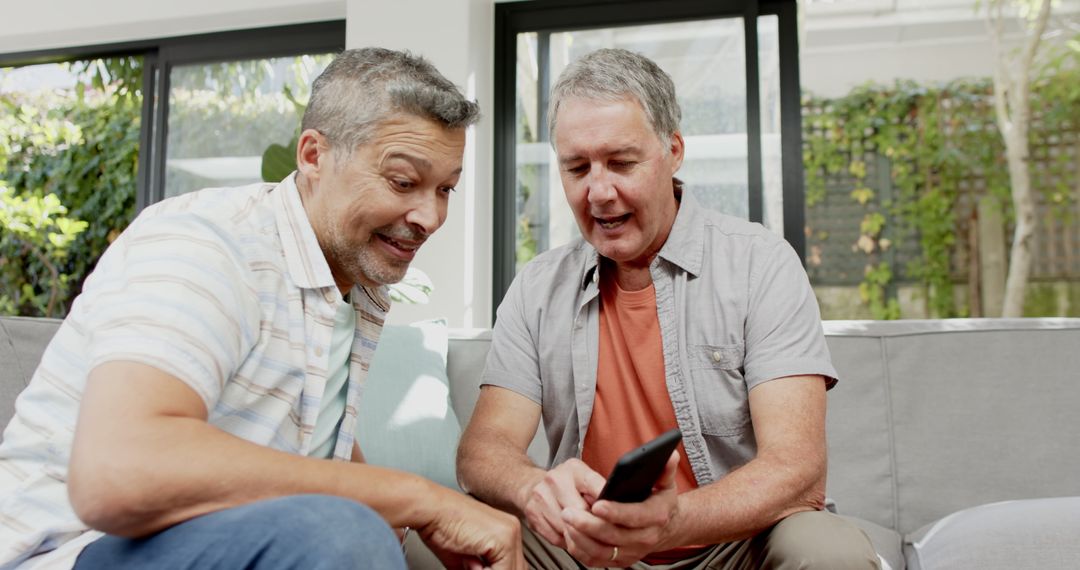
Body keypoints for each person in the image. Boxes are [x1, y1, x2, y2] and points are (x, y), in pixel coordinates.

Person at [0, 47, 523, 570]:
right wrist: (418, 497)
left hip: (207, 544)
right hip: (70, 551)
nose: (430, 217)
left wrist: (403, 518)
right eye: (403, 182)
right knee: (342, 531)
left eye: (446, 189)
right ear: (314, 156)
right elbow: (117, 471)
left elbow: (305, 441)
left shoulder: (350, 285)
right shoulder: (207, 243)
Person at [457, 48, 878, 569]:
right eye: (577, 167)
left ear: (673, 151)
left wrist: (667, 524)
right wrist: (534, 488)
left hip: (730, 547)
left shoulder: (760, 263)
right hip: (584, 548)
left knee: (827, 551)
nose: (599, 192)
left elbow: (797, 467)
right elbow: (483, 451)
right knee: (447, 536)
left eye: (621, 162)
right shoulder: (537, 286)